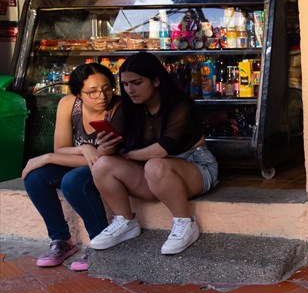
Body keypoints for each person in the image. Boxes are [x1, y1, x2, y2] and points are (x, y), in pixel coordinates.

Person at [90, 51, 219, 255]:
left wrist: (127, 156)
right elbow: (110, 149)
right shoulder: (128, 107)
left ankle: (185, 224)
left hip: (195, 166)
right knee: (102, 165)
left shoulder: (179, 104)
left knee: (155, 164)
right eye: (125, 84)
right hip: (154, 175)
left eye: (136, 83)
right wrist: (105, 147)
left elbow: (162, 150)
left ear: (156, 81)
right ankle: (125, 222)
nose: (129, 90)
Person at [20, 63, 122, 271]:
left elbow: (103, 159)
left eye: (106, 89)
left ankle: (100, 243)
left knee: (74, 180)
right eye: (91, 92)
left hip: (111, 167)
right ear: (78, 94)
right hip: (86, 162)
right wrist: (83, 148)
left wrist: (48, 157)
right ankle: (61, 241)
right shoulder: (69, 104)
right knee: (36, 177)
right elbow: (61, 148)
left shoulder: (119, 108)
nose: (101, 96)